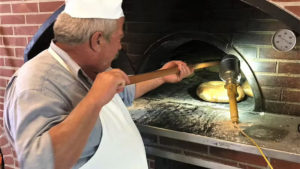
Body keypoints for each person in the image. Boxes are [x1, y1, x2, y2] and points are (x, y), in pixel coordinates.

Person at [3, 0, 193, 169]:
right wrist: (94, 99)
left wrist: (161, 76)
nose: (120, 47)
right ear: (98, 40)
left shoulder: (92, 68)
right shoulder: (36, 84)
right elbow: (40, 163)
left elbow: (124, 91)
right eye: (119, 38)